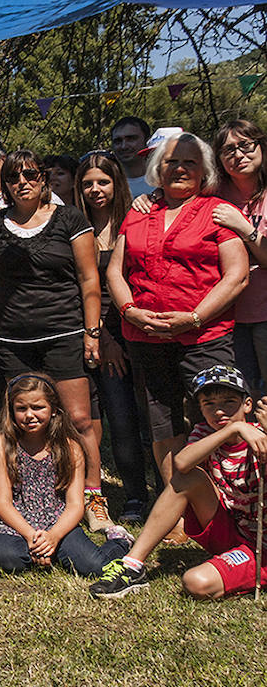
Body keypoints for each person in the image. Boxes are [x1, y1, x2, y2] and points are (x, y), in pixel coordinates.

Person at [106, 131, 248, 494]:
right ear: (157, 168)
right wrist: (129, 311)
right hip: (145, 337)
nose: (181, 168)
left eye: (190, 162)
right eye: (172, 161)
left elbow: (237, 276)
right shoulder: (139, 212)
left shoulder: (218, 211)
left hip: (205, 337)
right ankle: (179, 510)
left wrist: (196, 316)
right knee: (161, 424)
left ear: (205, 171)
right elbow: (115, 271)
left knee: (217, 417)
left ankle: (227, 502)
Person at [0, 149, 107, 527]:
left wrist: (92, 332)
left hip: (64, 332)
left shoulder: (69, 219)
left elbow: (88, 279)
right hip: (12, 340)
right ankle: (16, 497)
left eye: (30, 174)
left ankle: (93, 497)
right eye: (14, 177)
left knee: (79, 419)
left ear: (44, 179)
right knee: (16, 423)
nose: (23, 183)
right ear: (5, 186)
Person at [90, 365, 267, 600]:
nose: (219, 411)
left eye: (228, 402)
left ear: (247, 405)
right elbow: (182, 464)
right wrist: (234, 428)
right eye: (209, 404)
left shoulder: (260, 436)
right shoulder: (206, 433)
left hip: (259, 548)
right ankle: (132, 565)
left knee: (196, 583)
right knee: (186, 477)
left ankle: (245, 570)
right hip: (232, 532)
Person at [0, 373, 133, 576]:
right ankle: (45, 551)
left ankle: (118, 541)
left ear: (54, 409)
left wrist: (54, 536)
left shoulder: (69, 447)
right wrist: (31, 536)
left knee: (92, 567)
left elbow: (75, 504)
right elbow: (3, 503)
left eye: (38, 408)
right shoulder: (2, 444)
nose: (29, 415)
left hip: (57, 522)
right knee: (9, 559)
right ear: (11, 411)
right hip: (15, 524)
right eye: (21, 409)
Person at [75, 152, 149, 521]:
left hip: (132, 327)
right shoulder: (74, 226)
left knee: (136, 416)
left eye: (102, 182)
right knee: (101, 417)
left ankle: (146, 493)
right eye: (87, 183)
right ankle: (112, 495)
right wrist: (102, 338)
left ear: (116, 183)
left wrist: (117, 337)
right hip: (89, 332)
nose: (94, 189)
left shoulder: (134, 221)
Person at [211, 120, 267, 395]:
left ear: (261, 146)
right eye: (228, 150)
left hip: (265, 314)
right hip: (228, 318)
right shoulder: (213, 193)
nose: (238, 155)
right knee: (243, 395)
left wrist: (244, 227)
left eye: (245, 145)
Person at [111, 115, 153, 198]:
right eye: (118, 141)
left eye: (131, 139)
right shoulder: (108, 185)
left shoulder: (162, 182)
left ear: (147, 141)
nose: (124, 146)